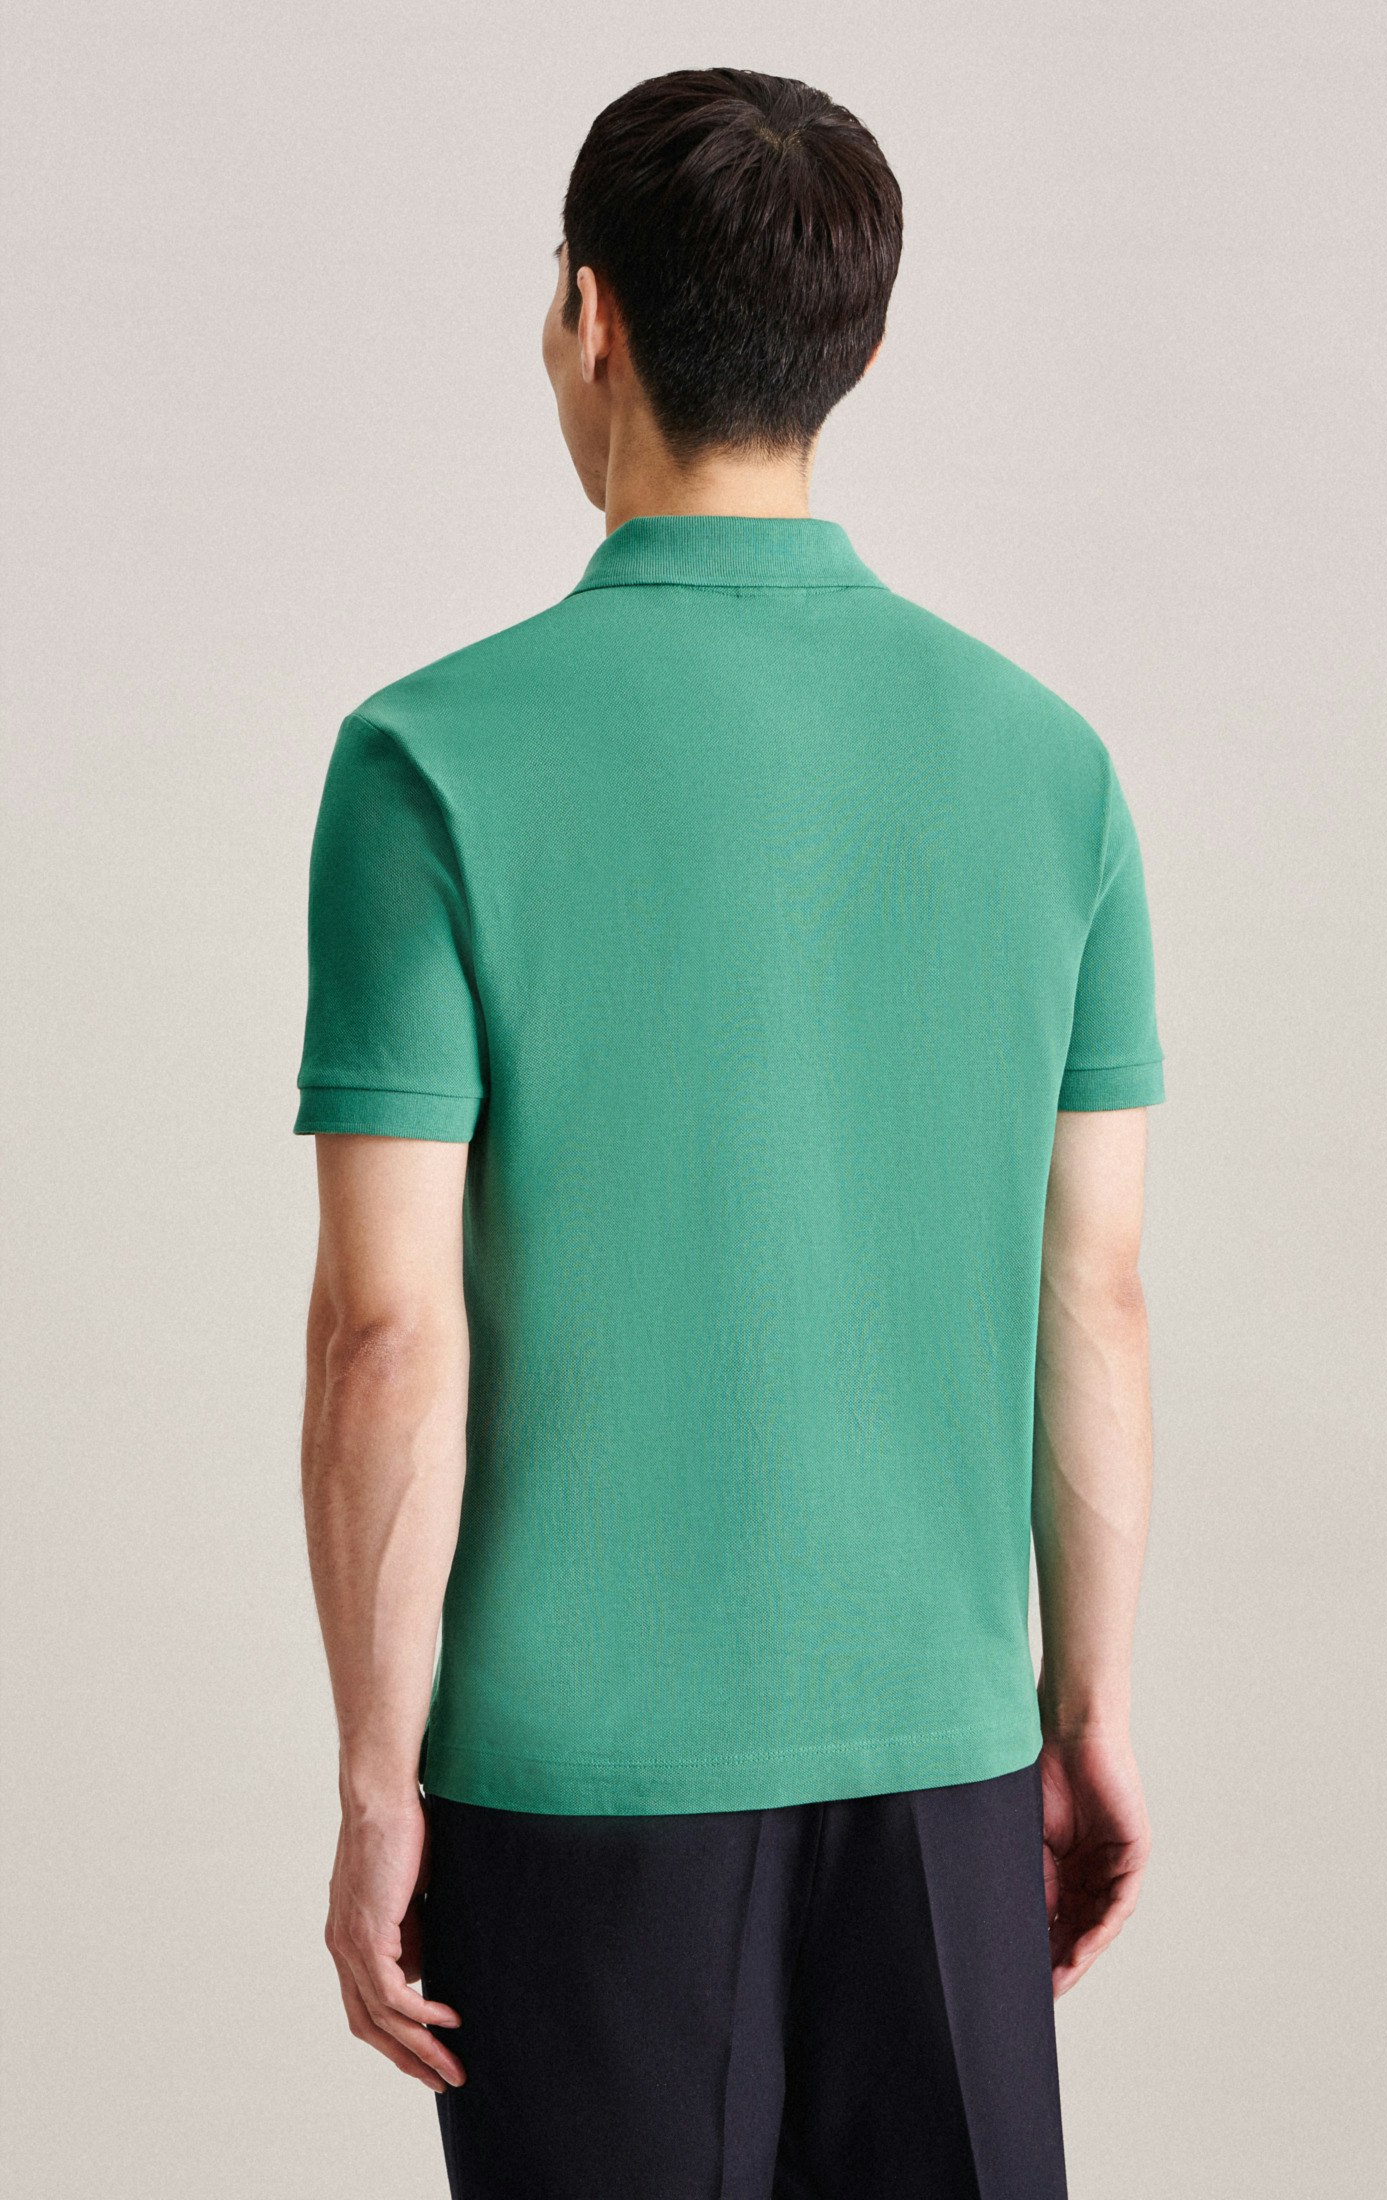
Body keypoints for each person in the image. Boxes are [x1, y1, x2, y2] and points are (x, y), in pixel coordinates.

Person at [297, 66, 1164, 2200]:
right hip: (945, 1757)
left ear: (589, 314)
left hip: (569, 1794)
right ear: (851, 339)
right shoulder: (1051, 765)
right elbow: (1094, 1293)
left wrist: (378, 1776)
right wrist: (1085, 1712)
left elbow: (389, 1331)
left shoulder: (429, 762)